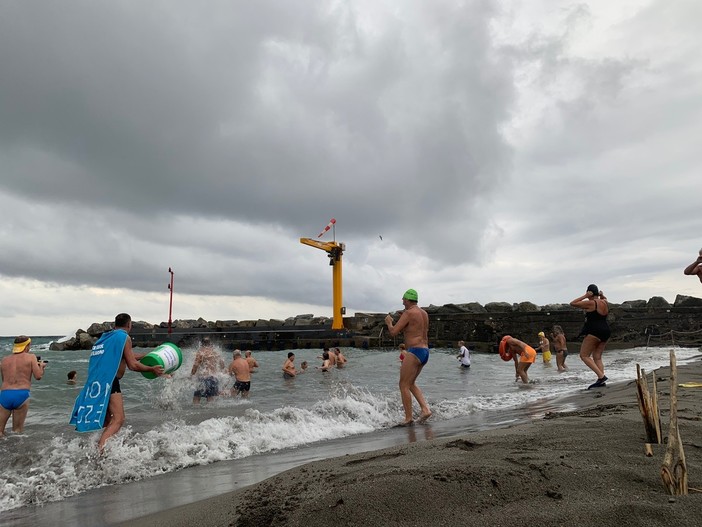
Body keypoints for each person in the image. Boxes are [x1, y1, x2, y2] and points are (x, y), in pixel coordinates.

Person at [70, 313, 164, 451]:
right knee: (118, 419)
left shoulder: (106, 338)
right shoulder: (124, 337)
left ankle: (102, 448)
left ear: (115, 325)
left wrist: (147, 355)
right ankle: (100, 454)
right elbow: (132, 365)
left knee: (109, 421)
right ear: (129, 325)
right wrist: (152, 369)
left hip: (96, 382)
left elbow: (124, 356)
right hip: (110, 381)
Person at [385, 288, 432, 426]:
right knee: (410, 383)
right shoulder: (424, 313)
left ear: (407, 299)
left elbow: (393, 332)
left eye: (403, 299)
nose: (402, 301)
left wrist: (389, 322)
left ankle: (408, 417)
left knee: (403, 384)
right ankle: (425, 409)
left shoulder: (408, 313)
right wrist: (404, 318)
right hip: (425, 351)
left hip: (414, 351)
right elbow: (415, 328)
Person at [0, 336, 46, 436]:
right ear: (26, 346)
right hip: (21, 394)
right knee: (17, 431)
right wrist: (41, 367)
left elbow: (4, 380)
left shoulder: (4, 360)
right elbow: (38, 376)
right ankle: (15, 451)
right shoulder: (31, 357)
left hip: (4, 394)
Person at [570, 284, 610, 389]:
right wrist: (602, 295)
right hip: (606, 330)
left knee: (584, 355)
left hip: (594, 331)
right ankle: (601, 381)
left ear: (590, 293)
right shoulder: (604, 302)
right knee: (597, 357)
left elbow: (573, 303)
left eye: (588, 293)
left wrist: (584, 296)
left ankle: (601, 377)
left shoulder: (591, 303)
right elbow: (605, 298)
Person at [191, 338, 225, 404]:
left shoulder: (201, 352)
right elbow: (222, 365)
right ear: (210, 343)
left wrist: (191, 374)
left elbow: (196, 365)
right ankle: (210, 414)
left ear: (201, 344)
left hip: (203, 377)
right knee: (210, 399)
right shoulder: (215, 352)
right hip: (213, 378)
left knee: (196, 397)